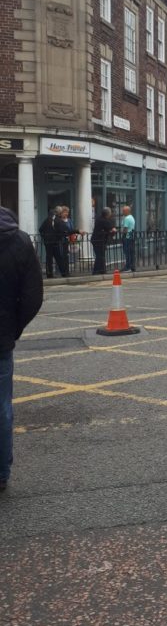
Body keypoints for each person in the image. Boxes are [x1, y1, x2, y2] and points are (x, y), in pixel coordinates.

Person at [0, 206, 44, 491]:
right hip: (1, 338)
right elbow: (32, 297)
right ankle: (1, 472)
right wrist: (12, 329)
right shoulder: (19, 240)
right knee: (2, 407)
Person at [38, 206, 68, 278]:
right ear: (59, 213)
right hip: (55, 242)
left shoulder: (47, 219)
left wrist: (44, 237)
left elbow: (40, 229)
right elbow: (65, 230)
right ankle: (63, 273)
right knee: (58, 258)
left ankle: (49, 273)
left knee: (49, 258)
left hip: (48, 242)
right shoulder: (58, 220)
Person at [91, 208, 116, 275]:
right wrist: (113, 230)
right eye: (110, 213)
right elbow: (112, 228)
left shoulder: (100, 219)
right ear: (108, 214)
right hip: (98, 241)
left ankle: (102, 270)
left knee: (101, 255)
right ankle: (96, 271)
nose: (111, 214)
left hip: (98, 240)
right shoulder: (103, 220)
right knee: (100, 256)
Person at [120, 205, 136, 272]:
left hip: (127, 237)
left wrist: (122, 233)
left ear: (127, 211)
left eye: (123, 210)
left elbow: (125, 229)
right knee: (131, 252)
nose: (122, 212)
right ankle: (132, 266)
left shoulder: (126, 218)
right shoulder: (132, 217)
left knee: (127, 252)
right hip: (131, 236)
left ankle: (127, 267)